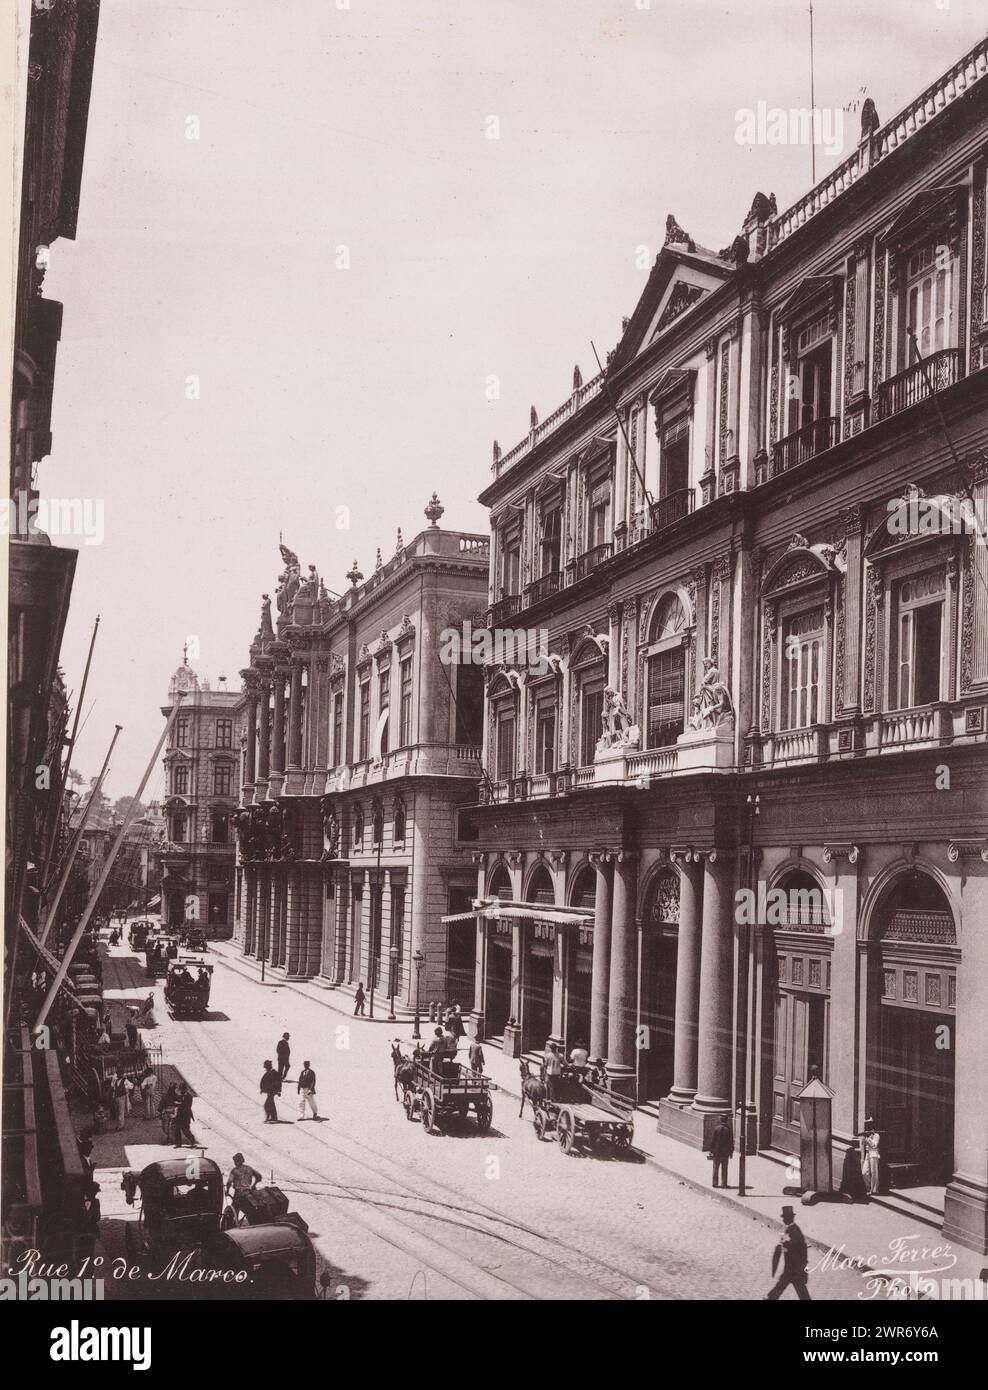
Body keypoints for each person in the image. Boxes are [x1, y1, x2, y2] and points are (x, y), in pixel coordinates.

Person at [766, 1205, 811, 1301]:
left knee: (786, 1284)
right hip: (792, 1266)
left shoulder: (794, 1230)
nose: (783, 1220)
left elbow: (797, 1245)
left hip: (794, 1266)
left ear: (789, 1218)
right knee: (790, 1285)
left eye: (784, 1218)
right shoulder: (791, 1229)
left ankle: (770, 1298)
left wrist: (785, 1244)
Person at [226, 1153, 262, 1218]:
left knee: (233, 1212)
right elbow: (259, 1177)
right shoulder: (249, 1168)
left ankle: (233, 1225)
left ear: (237, 1161)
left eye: (235, 1161)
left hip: (238, 1194)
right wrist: (254, 1185)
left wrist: (227, 1191)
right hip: (248, 1194)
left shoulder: (234, 1171)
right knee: (249, 1212)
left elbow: (229, 1182)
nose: (234, 1163)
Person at [708, 1114, 734, 1189]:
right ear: (726, 1120)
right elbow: (731, 1142)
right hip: (725, 1153)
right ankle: (723, 1184)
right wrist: (731, 1152)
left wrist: (711, 1150)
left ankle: (715, 1183)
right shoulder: (728, 1130)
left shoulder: (717, 1129)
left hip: (717, 1152)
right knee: (724, 1169)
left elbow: (713, 1141)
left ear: (720, 1120)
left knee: (715, 1168)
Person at [861, 1118, 881, 1195]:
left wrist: (869, 1139)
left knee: (874, 1172)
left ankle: (874, 1190)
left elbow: (874, 1145)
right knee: (864, 1172)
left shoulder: (876, 1135)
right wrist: (864, 1138)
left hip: (874, 1154)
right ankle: (869, 1187)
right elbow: (862, 1144)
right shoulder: (866, 1135)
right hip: (867, 1154)